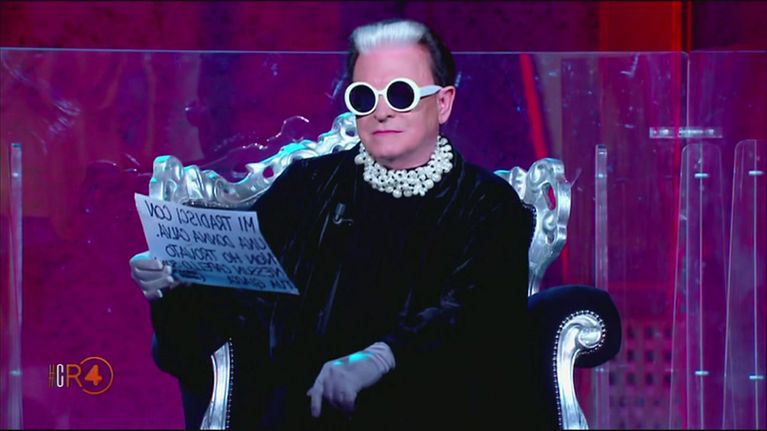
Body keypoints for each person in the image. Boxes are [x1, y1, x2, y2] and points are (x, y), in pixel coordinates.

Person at [130, 18, 534, 430]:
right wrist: (173, 287)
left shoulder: (488, 204)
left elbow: (480, 320)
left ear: (443, 103)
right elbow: (236, 309)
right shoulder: (308, 186)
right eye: (364, 97)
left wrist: (379, 358)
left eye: (401, 94)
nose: (382, 112)